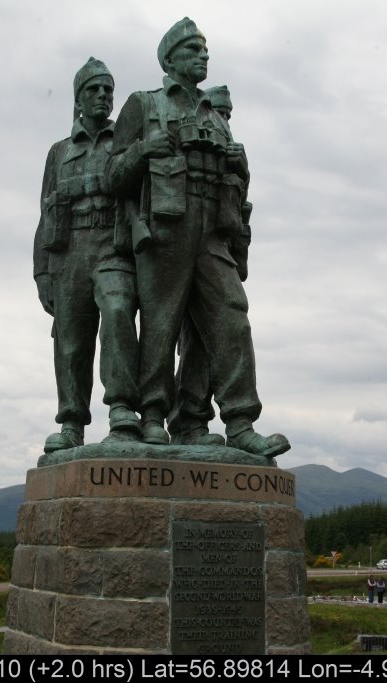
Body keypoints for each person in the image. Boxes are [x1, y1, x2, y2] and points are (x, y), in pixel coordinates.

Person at [106, 17, 290, 456]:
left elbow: (235, 183)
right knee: (160, 323)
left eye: (205, 49)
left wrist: (240, 165)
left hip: (213, 229)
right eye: (193, 49)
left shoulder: (214, 112)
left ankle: (239, 422)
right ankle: (152, 415)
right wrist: (140, 151)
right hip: (167, 227)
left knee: (230, 316)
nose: (203, 55)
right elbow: (113, 176)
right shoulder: (144, 104)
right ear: (169, 59)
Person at [33, 57, 140, 453]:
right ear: (78, 99)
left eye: (108, 90)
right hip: (69, 251)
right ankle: (72, 422)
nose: (102, 96)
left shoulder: (125, 139)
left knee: (117, 311)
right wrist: (41, 273)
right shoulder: (59, 152)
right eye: (94, 90)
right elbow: (44, 212)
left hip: (113, 246)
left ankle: (123, 409)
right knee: (71, 340)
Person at [167, 85, 252, 445]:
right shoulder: (185, 135)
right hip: (175, 241)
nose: (224, 120)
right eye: (220, 112)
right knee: (185, 338)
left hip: (217, 247)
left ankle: (203, 421)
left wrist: (241, 168)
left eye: (228, 114)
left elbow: (237, 208)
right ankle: (184, 420)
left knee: (211, 334)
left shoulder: (231, 153)